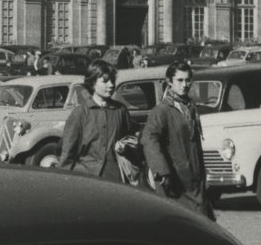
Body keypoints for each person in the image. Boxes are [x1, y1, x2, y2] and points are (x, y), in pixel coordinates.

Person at [142, 62, 215, 220]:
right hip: (175, 184)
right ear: (169, 82)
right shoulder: (161, 111)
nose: (185, 85)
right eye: (180, 80)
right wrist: (162, 171)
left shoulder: (190, 107)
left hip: (195, 182)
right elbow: (149, 139)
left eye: (188, 80)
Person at [58, 59, 136, 182]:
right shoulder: (79, 114)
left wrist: (125, 147)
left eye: (112, 81)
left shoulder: (121, 110)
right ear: (92, 83)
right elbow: (67, 158)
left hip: (116, 180)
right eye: (105, 81)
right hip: (86, 181)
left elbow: (130, 143)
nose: (111, 85)